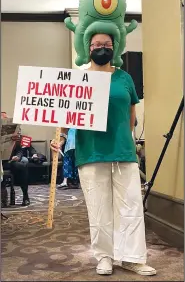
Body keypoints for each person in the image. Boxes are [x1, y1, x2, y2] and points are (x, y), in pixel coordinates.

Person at [51, 33, 156, 276]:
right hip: (91, 152)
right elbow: (66, 118)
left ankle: (132, 257)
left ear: (114, 48)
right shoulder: (78, 79)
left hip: (123, 152)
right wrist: (61, 138)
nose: (102, 48)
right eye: (97, 44)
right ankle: (104, 256)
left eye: (107, 44)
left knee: (130, 205)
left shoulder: (124, 78)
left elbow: (131, 114)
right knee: (98, 207)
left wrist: (124, 139)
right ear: (88, 48)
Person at [2, 134, 39, 206]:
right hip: (2, 161)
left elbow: (23, 151)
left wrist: (18, 157)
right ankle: (3, 196)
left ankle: (25, 196)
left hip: (13, 160)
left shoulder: (22, 138)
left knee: (22, 165)